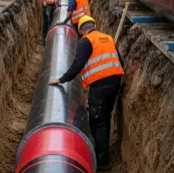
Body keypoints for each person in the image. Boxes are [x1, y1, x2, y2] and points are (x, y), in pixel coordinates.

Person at [49, 16, 123, 172]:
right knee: (105, 118)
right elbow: (119, 61)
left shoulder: (86, 41)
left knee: (97, 121)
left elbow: (77, 64)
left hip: (100, 86)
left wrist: (62, 79)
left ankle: (102, 162)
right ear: (94, 25)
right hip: (115, 83)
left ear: (82, 30)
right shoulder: (107, 37)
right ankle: (103, 153)